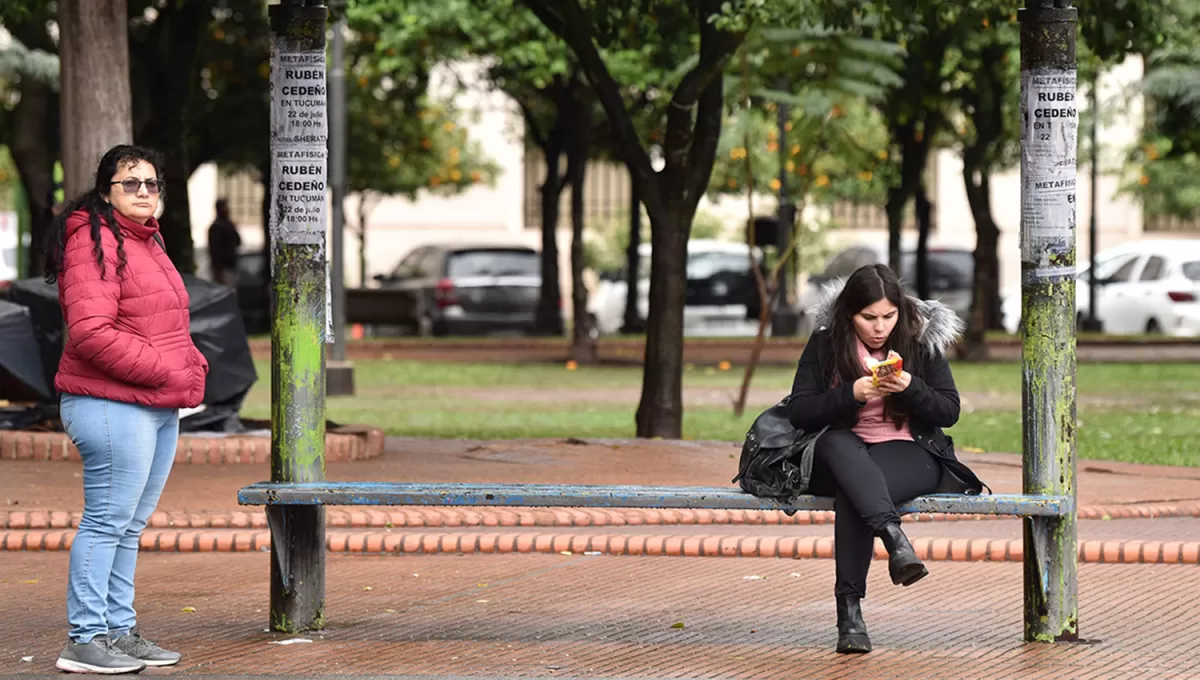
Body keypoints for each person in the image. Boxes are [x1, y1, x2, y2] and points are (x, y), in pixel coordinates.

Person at [45, 144, 208, 674]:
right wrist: (166, 370)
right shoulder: (92, 241)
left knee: (129, 525)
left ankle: (118, 631)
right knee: (106, 522)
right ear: (106, 191)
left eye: (152, 183)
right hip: (109, 403)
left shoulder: (147, 241)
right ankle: (84, 639)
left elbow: (162, 322)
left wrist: (192, 364)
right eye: (130, 182)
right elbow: (91, 333)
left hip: (153, 405)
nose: (144, 192)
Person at [787, 264, 984, 654]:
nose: (880, 328)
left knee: (855, 491)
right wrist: (851, 394)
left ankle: (850, 617)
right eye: (869, 318)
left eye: (889, 316)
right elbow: (799, 411)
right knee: (842, 452)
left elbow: (949, 411)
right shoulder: (826, 344)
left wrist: (910, 387)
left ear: (900, 312)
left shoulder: (918, 342)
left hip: (909, 452)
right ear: (848, 315)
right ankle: (895, 541)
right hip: (838, 450)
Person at [207, 198, 241, 287]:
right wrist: (218, 269)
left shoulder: (228, 225)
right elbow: (214, 250)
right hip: (223, 268)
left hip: (230, 266)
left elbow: (238, 241)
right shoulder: (217, 227)